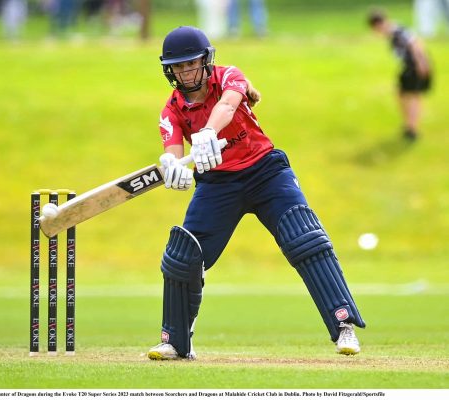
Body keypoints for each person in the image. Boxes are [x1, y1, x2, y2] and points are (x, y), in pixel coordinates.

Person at [147, 26, 365, 361]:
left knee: (304, 238)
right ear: (169, 70)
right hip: (217, 184)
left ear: (206, 61)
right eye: (178, 67)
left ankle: (344, 325)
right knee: (183, 256)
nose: (185, 72)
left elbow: (229, 105)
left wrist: (207, 131)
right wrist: (175, 168)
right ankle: (176, 341)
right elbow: (175, 154)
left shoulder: (229, 76)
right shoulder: (171, 110)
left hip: (265, 171)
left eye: (191, 64)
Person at [368, 10, 432, 141]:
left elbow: (416, 44)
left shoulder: (399, 31)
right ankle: (408, 123)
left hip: (415, 66)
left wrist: (422, 63)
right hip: (407, 67)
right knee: (401, 93)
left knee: (413, 96)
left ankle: (412, 130)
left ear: (380, 24)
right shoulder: (391, 33)